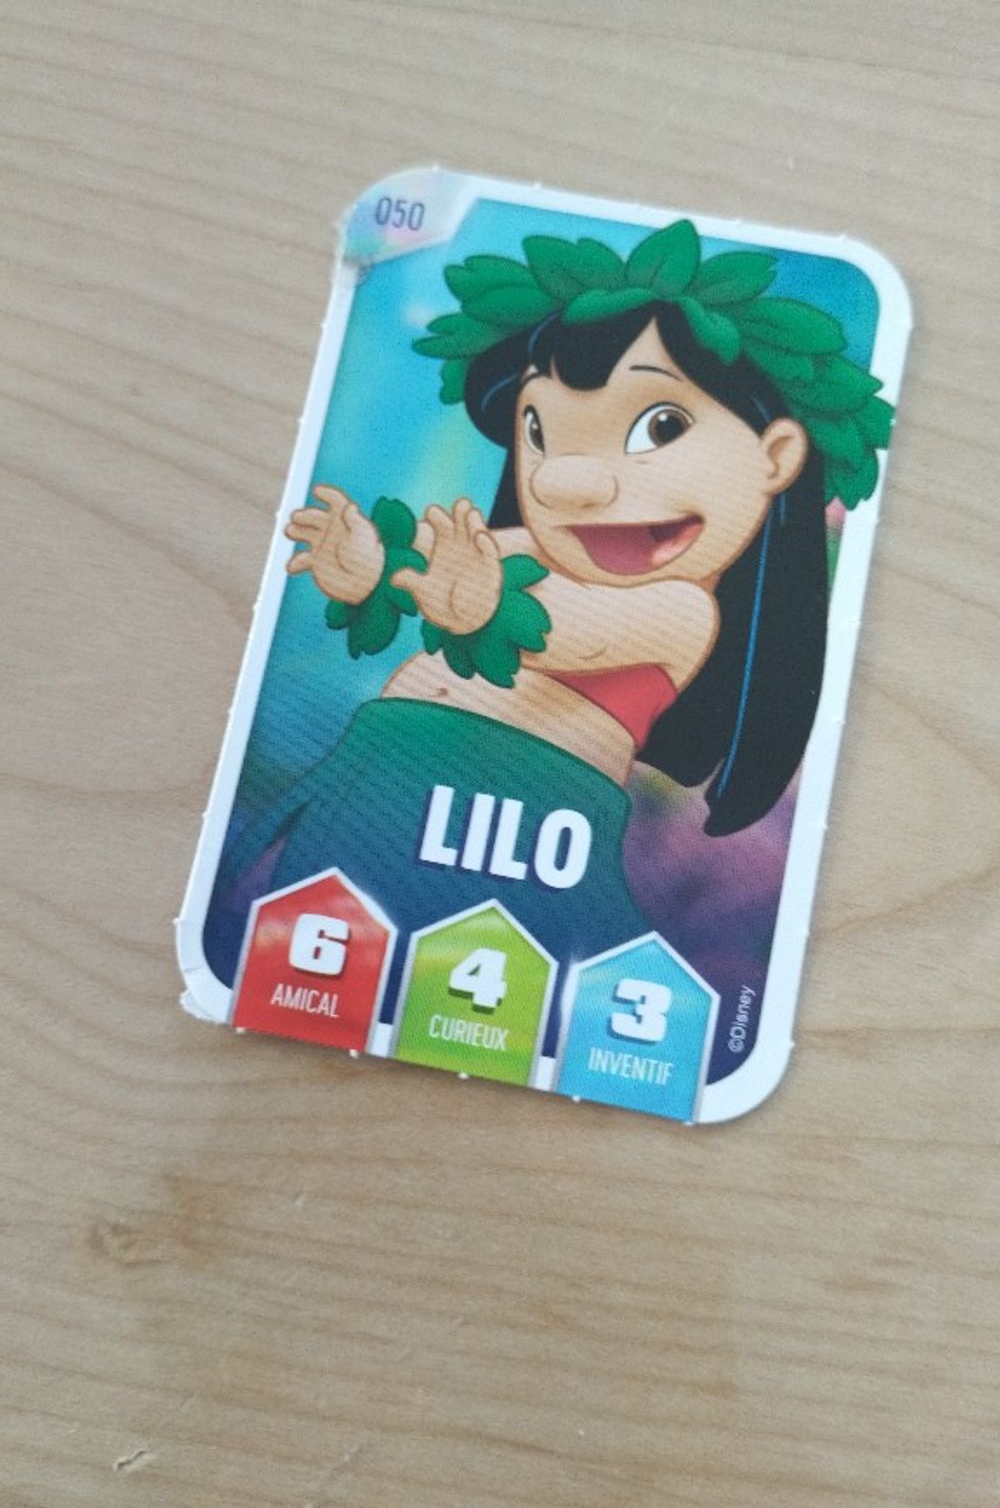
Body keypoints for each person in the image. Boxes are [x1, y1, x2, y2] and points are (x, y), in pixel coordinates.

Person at [207, 220, 890, 991]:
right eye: (541, 430)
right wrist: (370, 565)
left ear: (776, 458)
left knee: (487, 964)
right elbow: (427, 564)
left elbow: (565, 633)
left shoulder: (680, 610)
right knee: (309, 937)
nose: (565, 480)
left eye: (659, 427)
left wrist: (478, 606)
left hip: (533, 821)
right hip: (378, 776)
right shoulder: (520, 548)